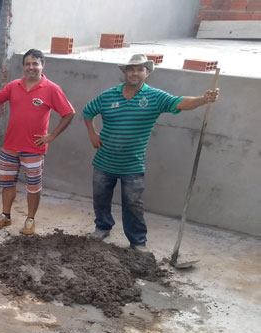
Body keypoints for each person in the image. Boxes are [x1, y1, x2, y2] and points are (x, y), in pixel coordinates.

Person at [83, 54, 220, 250]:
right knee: (100, 199)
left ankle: (137, 241)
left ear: (147, 73)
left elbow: (179, 102)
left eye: (140, 69)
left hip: (132, 165)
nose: (135, 73)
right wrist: (92, 133)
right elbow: (88, 112)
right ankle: (102, 227)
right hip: (104, 162)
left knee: (133, 205)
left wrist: (203, 99)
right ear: (125, 72)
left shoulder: (155, 97)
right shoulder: (108, 96)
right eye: (131, 69)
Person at [0, 49, 75, 234]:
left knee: (33, 187)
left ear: (42, 65)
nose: (31, 67)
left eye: (35, 64)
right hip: (10, 147)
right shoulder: (14, 86)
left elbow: (69, 113)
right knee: (7, 183)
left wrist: (52, 136)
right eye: (27, 64)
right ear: (23, 66)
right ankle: (5, 216)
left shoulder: (51, 89)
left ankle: (30, 219)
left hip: (34, 148)